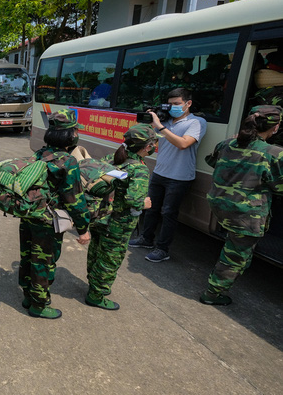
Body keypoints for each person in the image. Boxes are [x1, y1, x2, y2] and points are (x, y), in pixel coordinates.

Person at [199, 105, 283, 305]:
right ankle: (212, 295)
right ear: (276, 127)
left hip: (220, 205)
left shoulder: (227, 144)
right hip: (246, 214)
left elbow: (213, 162)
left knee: (233, 242)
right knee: (236, 257)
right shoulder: (274, 153)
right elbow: (279, 187)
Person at [19, 109, 90, 319]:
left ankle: (28, 296)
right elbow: (75, 200)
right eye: (75, 130)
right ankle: (39, 306)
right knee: (44, 261)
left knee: (27, 257)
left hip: (29, 215)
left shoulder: (40, 153)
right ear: (69, 134)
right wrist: (83, 229)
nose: (77, 134)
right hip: (48, 221)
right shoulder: (68, 161)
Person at [128, 88, 207, 262]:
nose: (173, 107)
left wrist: (160, 126)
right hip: (159, 172)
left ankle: (162, 249)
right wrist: (150, 122)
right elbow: (151, 141)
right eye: (170, 104)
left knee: (169, 213)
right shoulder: (167, 121)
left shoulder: (196, 122)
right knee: (151, 208)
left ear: (188, 103)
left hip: (179, 177)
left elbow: (183, 144)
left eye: (177, 104)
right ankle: (146, 239)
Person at [86, 124, 156, 310]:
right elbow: (133, 200)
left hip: (100, 215)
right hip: (119, 223)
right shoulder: (139, 169)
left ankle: (94, 283)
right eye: (153, 143)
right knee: (110, 257)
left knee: (96, 250)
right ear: (147, 147)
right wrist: (145, 204)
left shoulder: (112, 157)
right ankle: (96, 294)